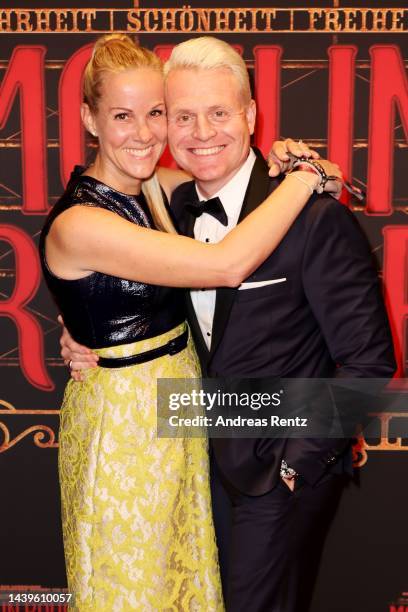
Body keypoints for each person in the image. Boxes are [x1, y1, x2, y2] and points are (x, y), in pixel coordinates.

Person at [63, 36, 396, 611]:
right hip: (187, 462)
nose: (201, 133)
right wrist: (86, 333)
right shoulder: (167, 207)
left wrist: (298, 461)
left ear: (250, 115)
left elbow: (370, 362)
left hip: (275, 470)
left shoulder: (314, 219)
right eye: (182, 116)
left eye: (219, 113)